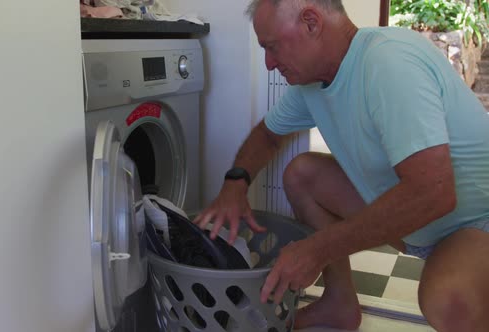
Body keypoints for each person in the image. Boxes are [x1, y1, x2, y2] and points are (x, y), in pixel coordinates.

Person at [192, 0, 489, 331]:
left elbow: (434, 192)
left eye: (272, 47)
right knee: (303, 175)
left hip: (475, 220)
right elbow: (267, 136)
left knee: (449, 298)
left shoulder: (387, 61)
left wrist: (316, 250)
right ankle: (339, 305)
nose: (269, 63)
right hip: (425, 220)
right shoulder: (314, 83)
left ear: (311, 22)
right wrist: (235, 184)